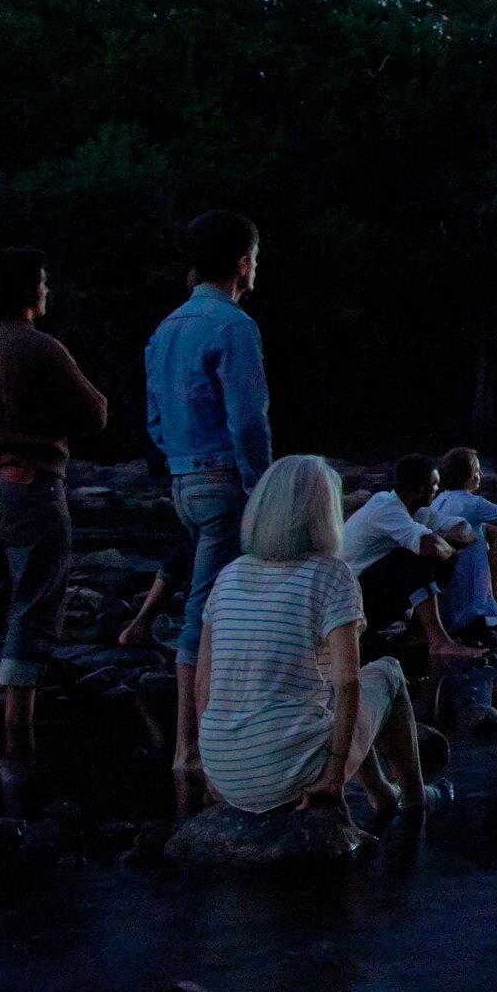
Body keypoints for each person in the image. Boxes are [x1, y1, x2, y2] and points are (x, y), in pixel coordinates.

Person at [195, 455, 434, 821]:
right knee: (387, 673)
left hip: (226, 772)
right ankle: (415, 799)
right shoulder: (331, 574)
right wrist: (335, 775)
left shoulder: (228, 575)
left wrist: (211, 768)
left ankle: (382, 792)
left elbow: (202, 682)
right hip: (291, 772)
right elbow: (348, 680)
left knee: (327, 698)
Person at [0, 248, 109, 739]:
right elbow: (95, 414)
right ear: (24, 290)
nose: (47, 289)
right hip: (29, 487)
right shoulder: (38, 346)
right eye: (42, 281)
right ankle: (20, 724)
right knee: (36, 603)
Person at [145, 210, 272, 775]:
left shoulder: (167, 327)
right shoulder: (235, 326)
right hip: (224, 480)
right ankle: (193, 749)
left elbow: (151, 416)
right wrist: (263, 483)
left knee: (211, 603)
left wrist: (178, 459)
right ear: (244, 263)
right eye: (256, 257)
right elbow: (249, 419)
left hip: (182, 480)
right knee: (212, 611)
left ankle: (204, 740)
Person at [337, 453, 484, 668]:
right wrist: (450, 549)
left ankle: (418, 634)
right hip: (348, 606)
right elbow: (430, 548)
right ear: (421, 490)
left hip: (368, 603)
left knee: (433, 555)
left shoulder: (420, 511)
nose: (438, 489)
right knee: (410, 556)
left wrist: (446, 548)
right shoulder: (385, 507)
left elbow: (466, 530)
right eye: (435, 485)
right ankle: (438, 641)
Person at [427, 447, 497, 631]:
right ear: (469, 476)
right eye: (477, 470)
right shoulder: (473, 503)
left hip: (445, 601)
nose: (481, 474)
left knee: (485, 528)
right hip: (469, 602)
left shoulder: (437, 502)